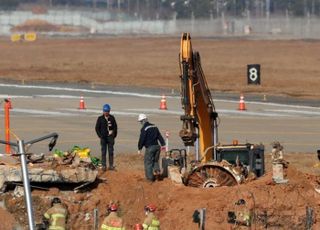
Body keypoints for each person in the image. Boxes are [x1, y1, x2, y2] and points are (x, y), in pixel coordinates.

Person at [137, 114, 165, 182]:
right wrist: (163, 144)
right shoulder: (154, 126)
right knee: (155, 161)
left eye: (141, 121)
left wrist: (139, 148)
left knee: (148, 163)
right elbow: (159, 136)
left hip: (150, 148)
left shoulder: (144, 129)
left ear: (143, 121)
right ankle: (157, 171)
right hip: (157, 147)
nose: (141, 123)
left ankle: (150, 179)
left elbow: (142, 139)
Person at [95, 104, 118, 171]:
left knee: (111, 152)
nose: (106, 112)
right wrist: (100, 136)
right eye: (105, 111)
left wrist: (113, 135)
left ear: (109, 111)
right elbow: (97, 128)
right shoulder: (100, 118)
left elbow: (115, 127)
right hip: (103, 138)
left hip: (110, 137)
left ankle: (111, 166)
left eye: (107, 111)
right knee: (103, 152)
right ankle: (104, 166)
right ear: (103, 111)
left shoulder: (112, 118)